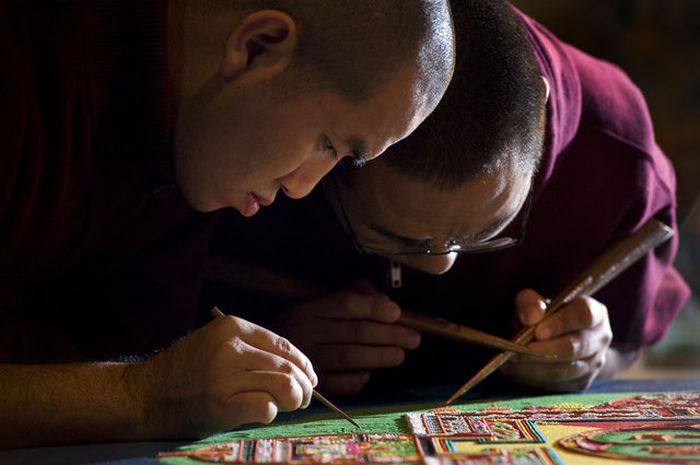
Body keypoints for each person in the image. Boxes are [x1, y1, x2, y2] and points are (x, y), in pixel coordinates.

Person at [0, 0, 455, 447]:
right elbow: (135, 386)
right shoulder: (26, 57)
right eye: (327, 144)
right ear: (258, 46)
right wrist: (143, 397)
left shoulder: (194, 156)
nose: (301, 189)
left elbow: (108, 353)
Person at [207, 0, 690, 398]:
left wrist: (590, 353)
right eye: (397, 238)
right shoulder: (266, 135)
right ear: (331, 158)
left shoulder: (615, 145)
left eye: (488, 232)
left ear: (540, 121)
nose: (441, 265)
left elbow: (630, 338)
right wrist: (267, 343)